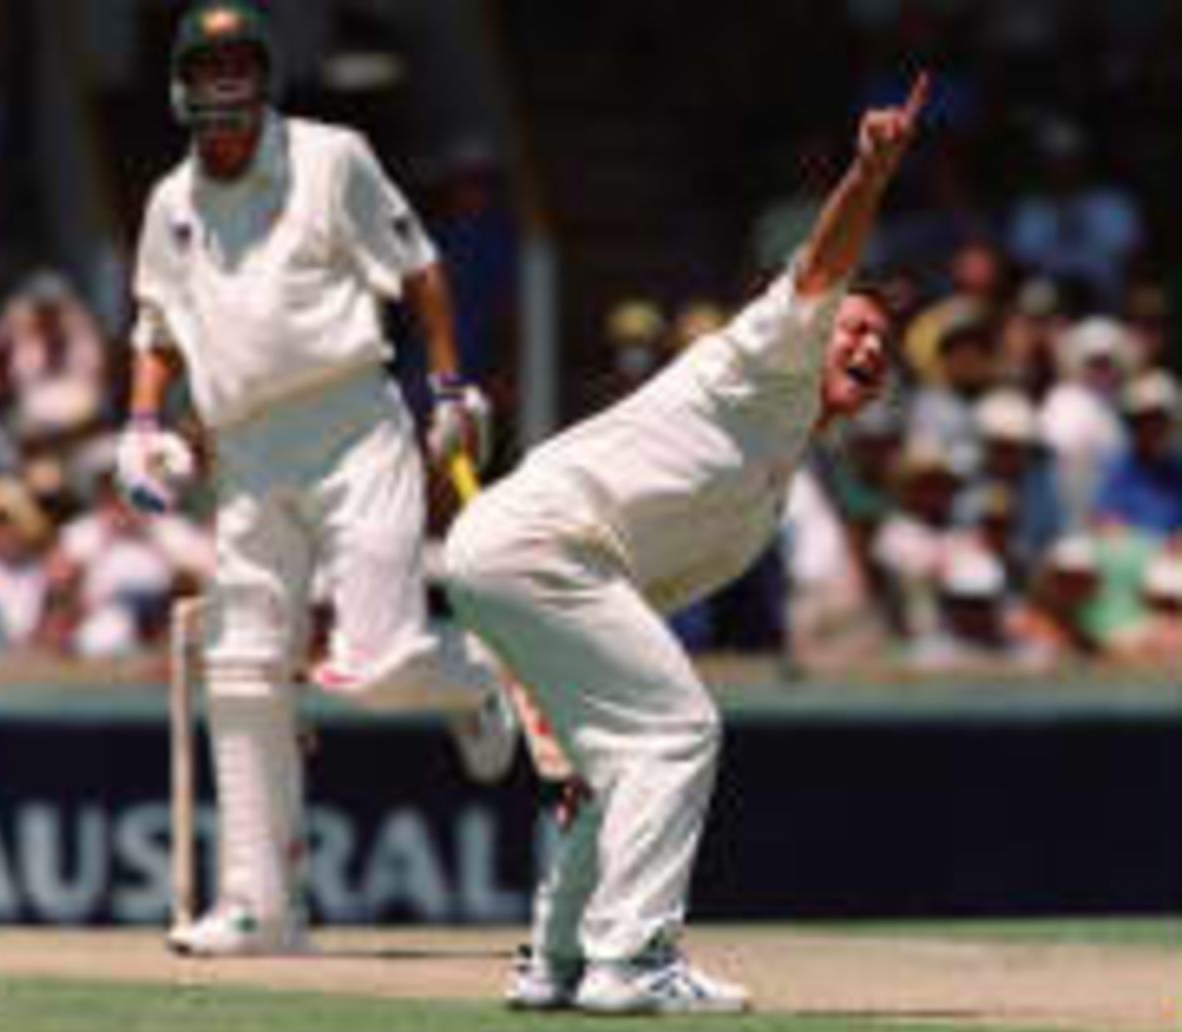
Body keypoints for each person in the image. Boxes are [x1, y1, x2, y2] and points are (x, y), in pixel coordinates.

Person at [444, 74, 930, 1014]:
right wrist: (869, 175)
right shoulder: (767, 355)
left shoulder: (765, 492)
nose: (871, 350)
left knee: (624, 757)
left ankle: (554, 961)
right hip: (539, 542)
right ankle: (633, 960)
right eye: (860, 331)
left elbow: (632, 605)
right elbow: (823, 269)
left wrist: (557, 696)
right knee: (678, 730)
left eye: (884, 346)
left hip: (539, 561)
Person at [117, 0, 516, 957]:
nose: (225, 87)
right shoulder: (169, 203)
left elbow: (418, 269)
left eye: (239, 69)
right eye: (208, 72)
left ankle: (474, 685)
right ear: (183, 87)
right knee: (243, 666)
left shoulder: (331, 157)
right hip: (246, 458)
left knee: (376, 667)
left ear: (263, 78)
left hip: (352, 430)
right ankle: (262, 907)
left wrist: (449, 384)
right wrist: (139, 426)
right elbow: (157, 331)